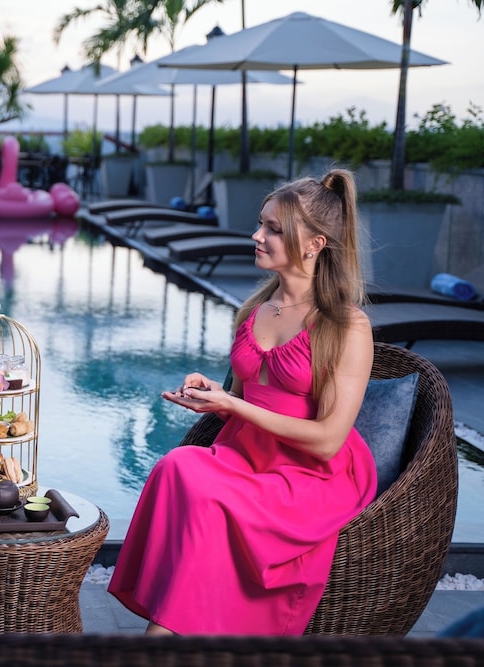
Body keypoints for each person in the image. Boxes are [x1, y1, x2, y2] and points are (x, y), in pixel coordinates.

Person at [108, 169, 377, 636]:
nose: (257, 236)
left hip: (308, 474)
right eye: (260, 224)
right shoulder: (256, 309)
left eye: (274, 229)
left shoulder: (345, 326)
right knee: (176, 467)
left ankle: (162, 635)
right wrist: (216, 396)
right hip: (246, 453)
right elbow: (249, 396)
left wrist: (233, 408)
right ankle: (179, 620)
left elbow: (328, 441)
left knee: (207, 493)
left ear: (314, 244)